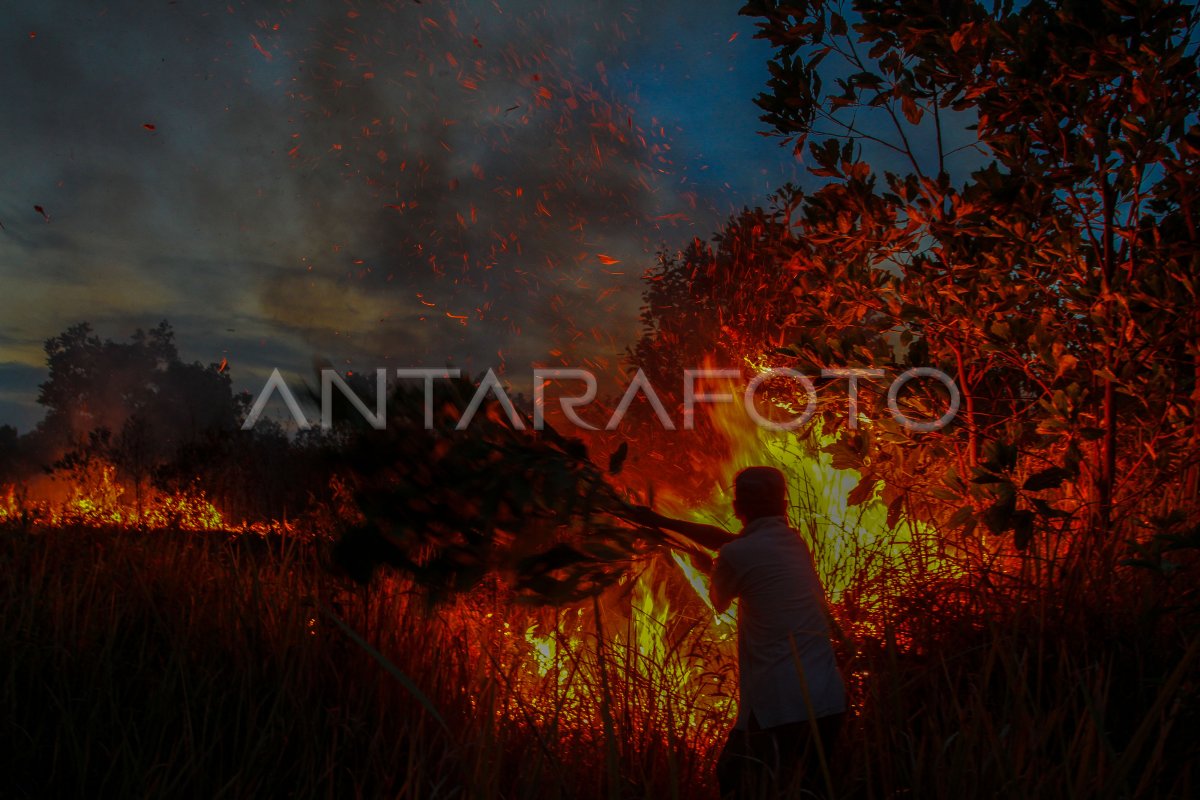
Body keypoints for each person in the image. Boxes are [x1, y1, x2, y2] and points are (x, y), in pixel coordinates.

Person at [632, 466, 845, 798]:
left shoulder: (735, 555)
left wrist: (708, 567)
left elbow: (719, 599)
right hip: (828, 700)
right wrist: (663, 523)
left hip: (779, 705)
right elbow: (734, 545)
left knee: (735, 779)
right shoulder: (794, 542)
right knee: (812, 789)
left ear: (736, 508)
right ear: (784, 505)